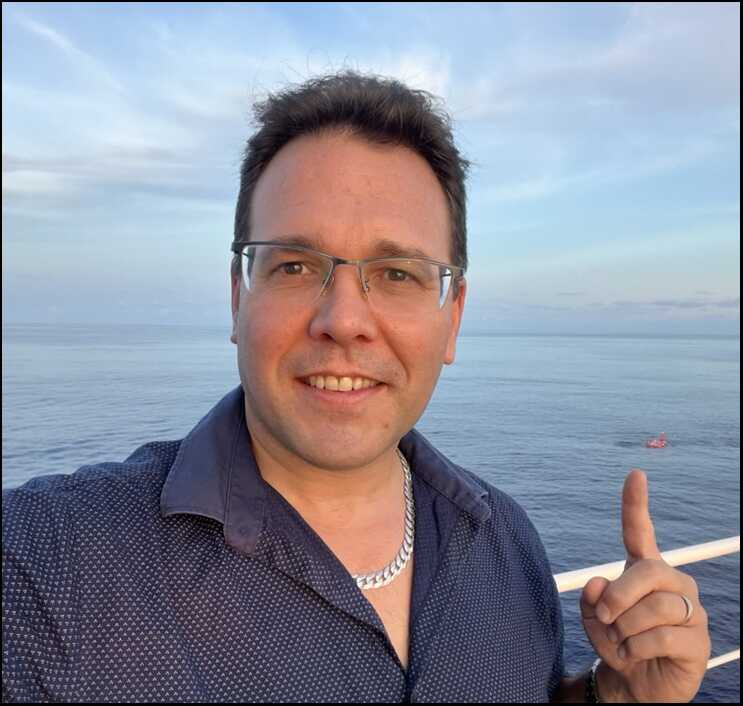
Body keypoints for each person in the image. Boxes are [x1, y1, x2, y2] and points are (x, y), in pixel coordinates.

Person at [2, 71, 710, 703]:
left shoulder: (504, 541)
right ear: (237, 298)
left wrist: (613, 697)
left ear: (453, 318)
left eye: (397, 274)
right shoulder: (45, 564)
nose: (343, 320)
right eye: (293, 265)